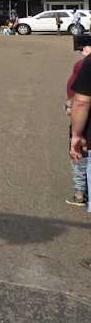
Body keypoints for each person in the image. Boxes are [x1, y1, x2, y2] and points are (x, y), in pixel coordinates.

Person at [66, 48, 90, 206]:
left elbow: (81, 101)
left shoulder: (84, 64)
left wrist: (76, 134)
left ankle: (80, 192)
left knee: (80, 152)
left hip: (87, 123)